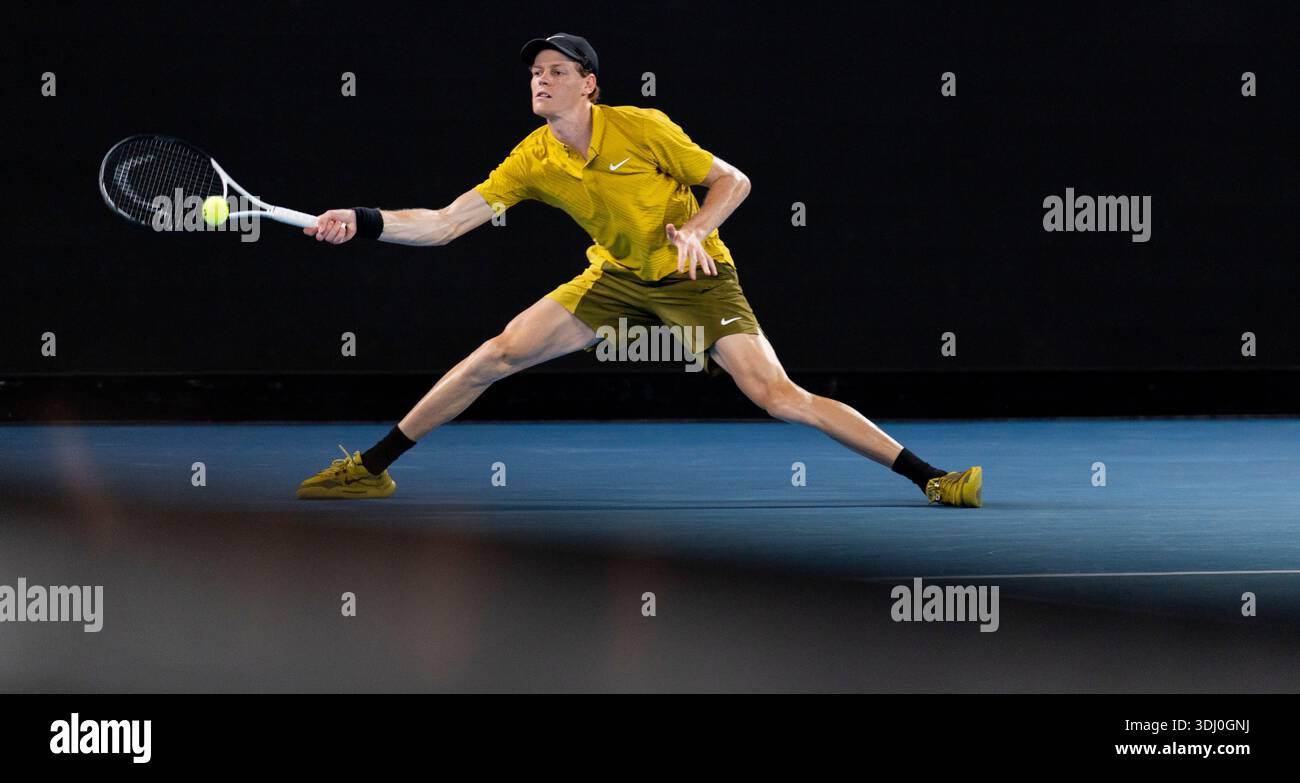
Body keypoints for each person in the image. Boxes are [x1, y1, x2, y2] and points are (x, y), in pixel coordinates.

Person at [296, 32, 981, 508]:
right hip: (617, 276)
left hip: (696, 274)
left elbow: (734, 182)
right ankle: (370, 468)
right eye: (536, 71)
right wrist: (365, 219)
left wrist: (697, 228)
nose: (542, 79)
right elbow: (445, 222)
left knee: (778, 395)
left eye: (558, 71)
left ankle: (932, 477)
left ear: (589, 85)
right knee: (496, 353)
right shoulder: (532, 158)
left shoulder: (642, 126)